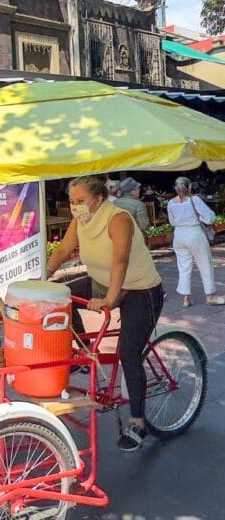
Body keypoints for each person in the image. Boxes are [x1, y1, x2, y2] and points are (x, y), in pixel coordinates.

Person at [47, 176, 164, 452]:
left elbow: (120, 261)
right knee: (61, 299)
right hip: (101, 281)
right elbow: (63, 249)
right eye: (72, 202)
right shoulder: (81, 221)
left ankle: (137, 422)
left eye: (80, 201)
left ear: (98, 200)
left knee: (128, 353)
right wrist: (41, 278)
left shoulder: (118, 218)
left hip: (139, 289)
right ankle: (87, 351)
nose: (75, 207)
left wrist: (110, 299)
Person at [167, 176, 224, 307]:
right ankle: (210, 296)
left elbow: (172, 222)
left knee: (183, 267)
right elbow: (209, 218)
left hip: (179, 235)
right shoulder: (195, 200)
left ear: (175, 188)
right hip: (194, 233)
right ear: (190, 187)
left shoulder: (171, 203)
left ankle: (186, 298)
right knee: (205, 264)